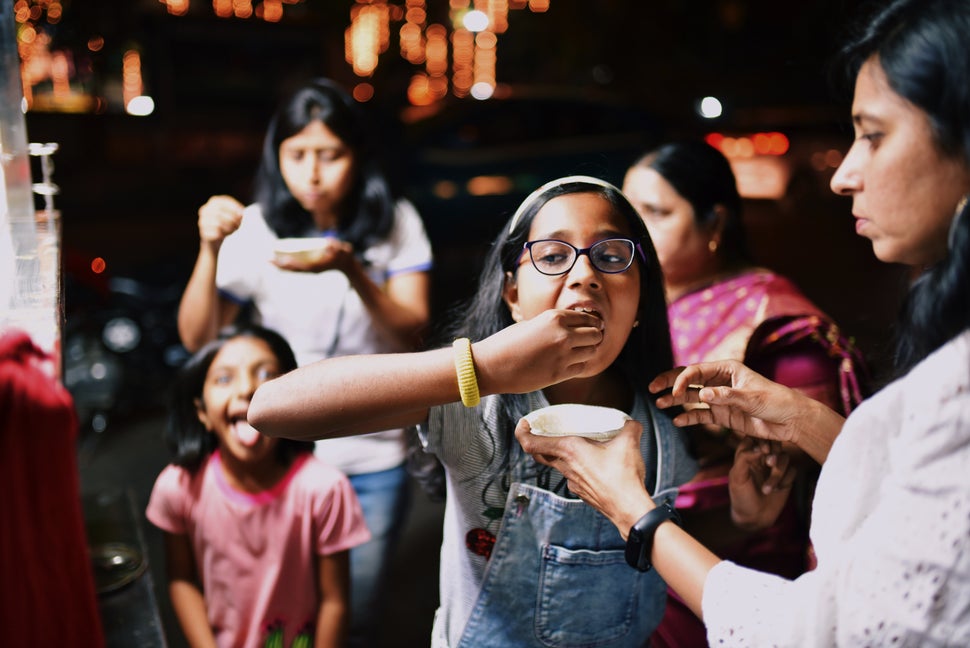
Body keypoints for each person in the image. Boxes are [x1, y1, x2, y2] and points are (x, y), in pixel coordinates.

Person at [515, 0, 970, 645]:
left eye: (873, 134)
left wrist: (634, 511)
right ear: (508, 290)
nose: (843, 176)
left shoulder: (781, 330)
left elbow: (829, 627)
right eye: (557, 253)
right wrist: (797, 419)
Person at [248, 176, 698, 647]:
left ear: (642, 297)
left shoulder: (668, 418)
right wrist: (480, 368)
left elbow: (667, 546)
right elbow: (271, 409)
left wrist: (749, 515)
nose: (585, 274)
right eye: (552, 256)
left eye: (610, 256)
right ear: (513, 296)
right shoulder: (475, 407)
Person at [175, 78, 433, 645]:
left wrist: (352, 270)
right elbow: (199, 336)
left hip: (374, 451)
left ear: (357, 156)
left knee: (356, 612)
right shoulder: (256, 228)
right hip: (281, 453)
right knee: (281, 610)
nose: (312, 173)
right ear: (277, 156)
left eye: (330, 155)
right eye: (297, 155)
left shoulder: (397, 223)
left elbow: (411, 325)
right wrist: (210, 248)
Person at [622, 139, 869, 646]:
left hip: (735, 558)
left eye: (657, 212)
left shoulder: (773, 323)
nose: (635, 230)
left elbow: (799, 475)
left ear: (714, 224)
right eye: (629, 211)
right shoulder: (634, 302)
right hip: (636, 540)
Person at [146, 323, 370, 648]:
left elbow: (334, 601)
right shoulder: (177, 488)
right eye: (224, 378)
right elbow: (181, 579)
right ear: (202, 413)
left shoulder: (325, 490)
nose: (247, 388)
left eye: (266, 374)